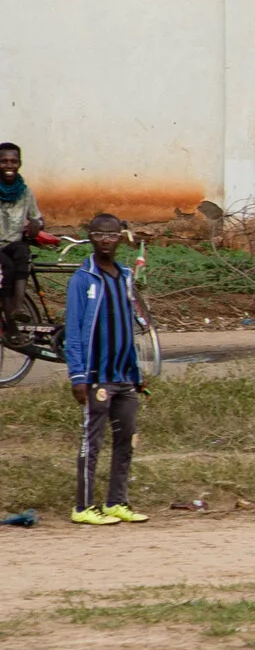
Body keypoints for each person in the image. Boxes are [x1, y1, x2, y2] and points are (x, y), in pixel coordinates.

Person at [64, 212, 147, 526]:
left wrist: (136, 373)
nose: (106, 241)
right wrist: (78, 376)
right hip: (97, 376)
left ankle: (117, 502)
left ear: (120, 237)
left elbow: (130, 325)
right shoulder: (83, 279)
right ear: (90, 237)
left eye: (111, 235)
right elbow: (74, 330)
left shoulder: (124, 276)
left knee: (126, 439)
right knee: (93, 442)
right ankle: (83, 507)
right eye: (99, 235)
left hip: (124, 375)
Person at [0, 140, 43, 327]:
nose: (9, 165)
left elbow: (38, 218)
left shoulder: (25, 192)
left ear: (20, 164)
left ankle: (18, 308)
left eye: (13, 161)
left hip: (12, 243)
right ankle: (10, 319)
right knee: (7, 266)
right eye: (4, 161)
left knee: (22, 253)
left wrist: (37, 224)